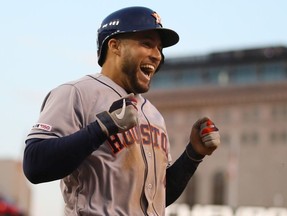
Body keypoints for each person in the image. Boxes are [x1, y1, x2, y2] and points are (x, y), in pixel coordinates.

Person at [23, 6, 220, 216]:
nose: (157, 55)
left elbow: (159, 198)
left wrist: (193, 154)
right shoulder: (77, 93)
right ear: (115, 46)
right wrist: (102, 128)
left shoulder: (153, 114)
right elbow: (35, 164)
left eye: (160, 48)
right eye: (147, 44)